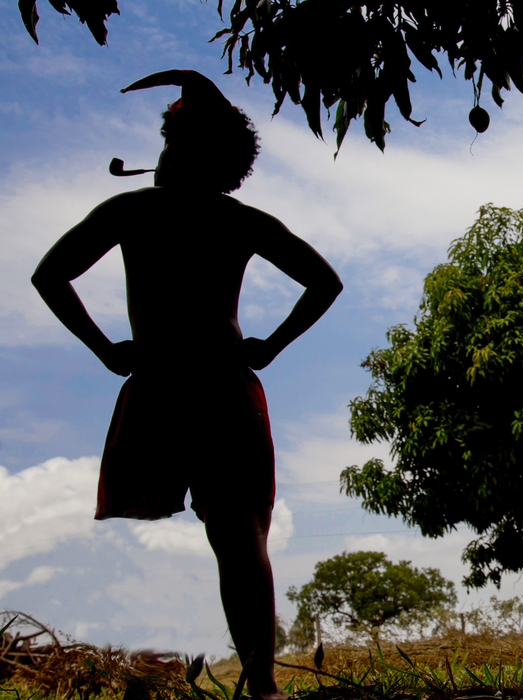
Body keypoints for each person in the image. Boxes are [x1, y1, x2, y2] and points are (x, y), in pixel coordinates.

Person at [31, 70, 342, 700]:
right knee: (241, 538)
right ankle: (261, 688)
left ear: (189, 153)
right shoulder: (240, 220)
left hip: (162, 387)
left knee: (198, 537)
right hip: (224, 386)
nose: (161, 155)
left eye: (170, 142)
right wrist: (270, 347)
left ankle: (225, 681)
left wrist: (104, 350)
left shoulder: (131, 210)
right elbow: (325, 282)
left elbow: (49, 275)